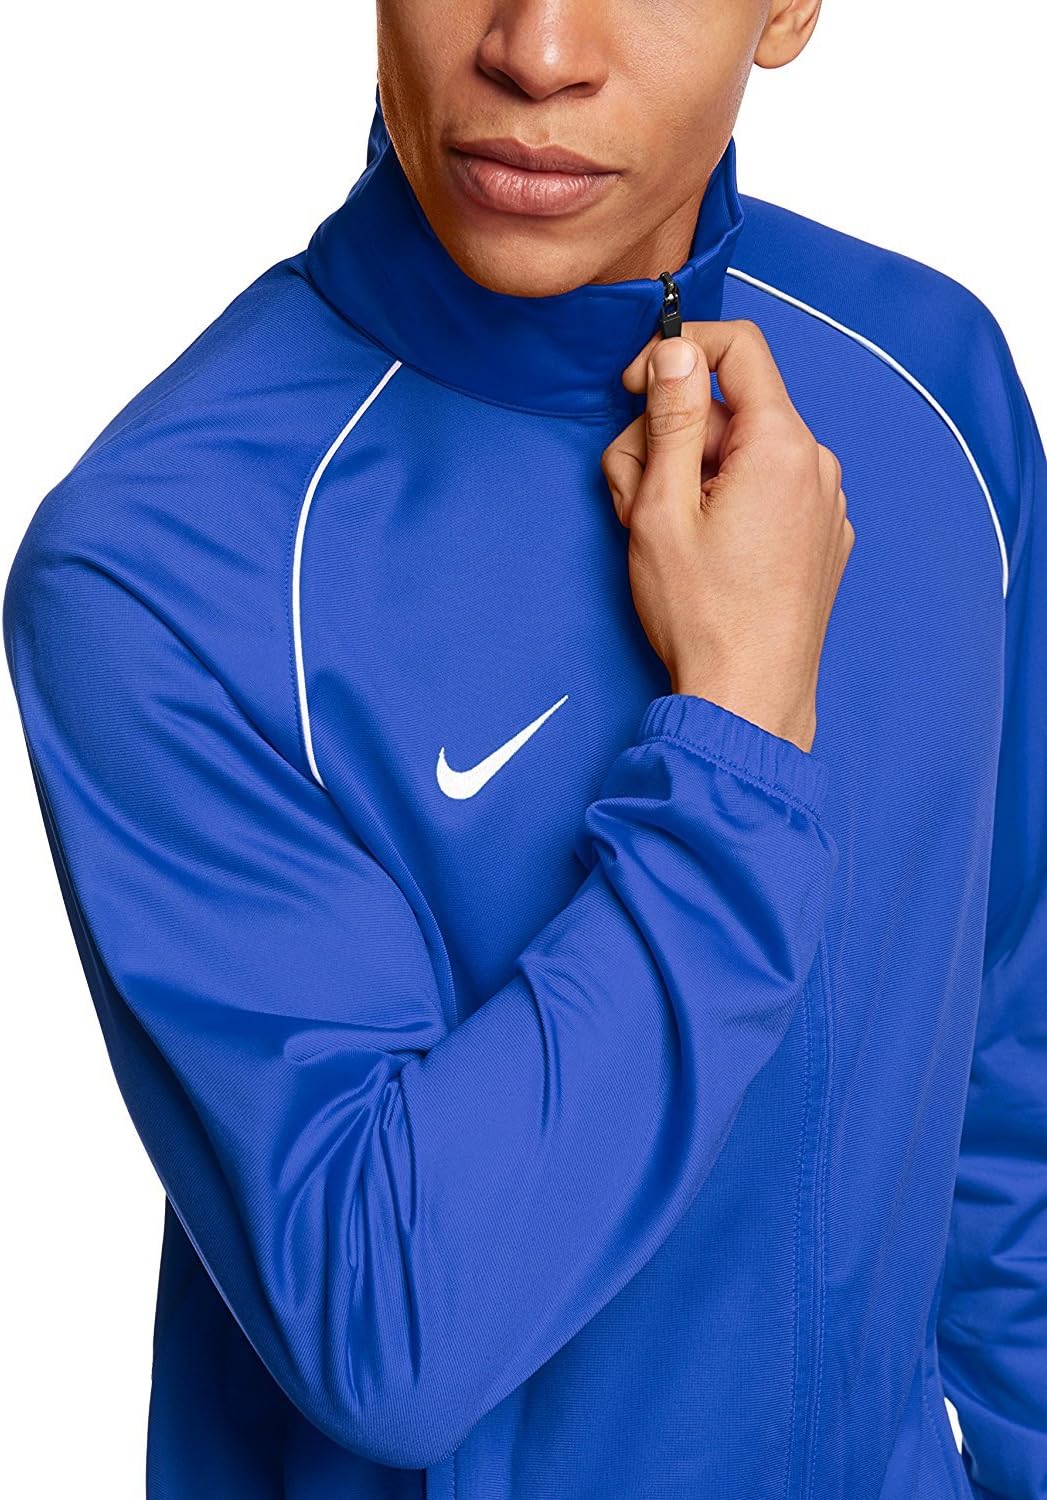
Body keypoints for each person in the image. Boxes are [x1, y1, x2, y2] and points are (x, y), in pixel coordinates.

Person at [3, 0, 1044, 1495]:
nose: (538, 51)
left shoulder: (936, 385)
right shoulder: (167, 563)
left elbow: (1013, 1076)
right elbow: (387, 1331)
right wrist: (740, 727)